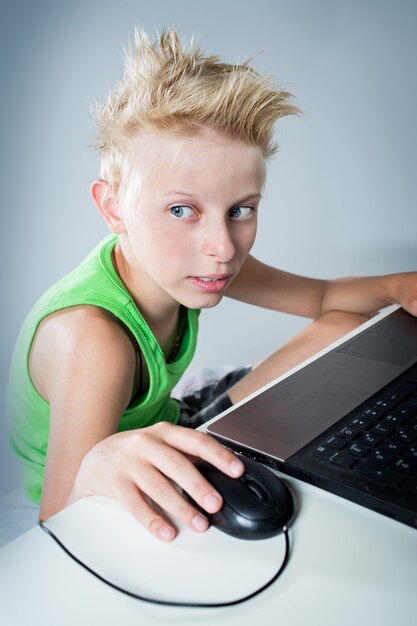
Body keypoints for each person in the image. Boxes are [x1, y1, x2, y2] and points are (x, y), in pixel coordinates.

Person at [6, 27, 416, 543]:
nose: (223, 246)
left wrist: (404, 285)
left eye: (240, 210)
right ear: (113, 207)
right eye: (182, 210)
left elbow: (323, 298)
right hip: (109, 478)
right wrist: (100, 463)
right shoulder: (93, 339)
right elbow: (56, 519)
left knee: (342, 328)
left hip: (174, 422)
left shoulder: (194, 261)